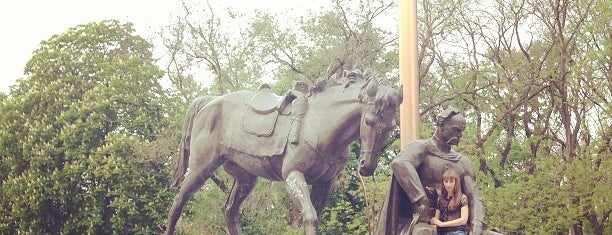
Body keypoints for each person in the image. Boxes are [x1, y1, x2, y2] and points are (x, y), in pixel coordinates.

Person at [377, 108, 487, 235]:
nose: (459, 135)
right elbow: (400, 163)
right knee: (425, 233)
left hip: (457, 223)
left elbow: (474, 196)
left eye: (461, 131)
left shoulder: (463, 162)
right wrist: (420, 199)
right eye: (456, 130)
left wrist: (477, 222)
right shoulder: (421, 148)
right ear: (441, 124)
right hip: (424, 219)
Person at [430, 168, 469, 235]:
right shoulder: (440, 199)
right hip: (443, 233)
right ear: (443, 183)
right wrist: (433, 221)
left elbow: (463, 220)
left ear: (455, 182)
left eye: (451, 181)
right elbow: (436, 219)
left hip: (458, 232)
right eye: (446, 181)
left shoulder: (462, 198)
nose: (448, 184)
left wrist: (442, 224)